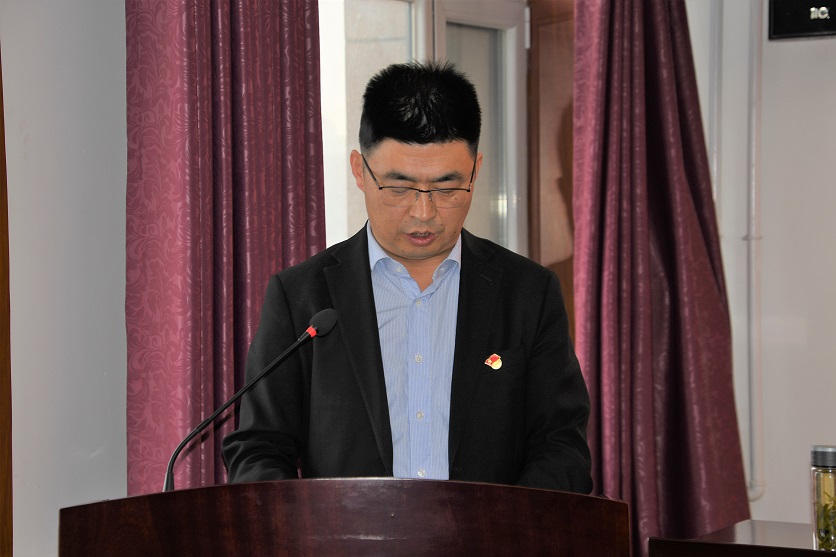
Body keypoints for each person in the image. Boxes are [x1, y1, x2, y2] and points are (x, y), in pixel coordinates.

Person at [222, 61, 592, 493]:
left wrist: (504, 526)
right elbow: (258, 449)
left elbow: (561, 447)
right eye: (399, 188)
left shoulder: (529, 293)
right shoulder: (301, 298)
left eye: (447, 188)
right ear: (359, 170)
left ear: (475, 171)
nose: (423, 213)